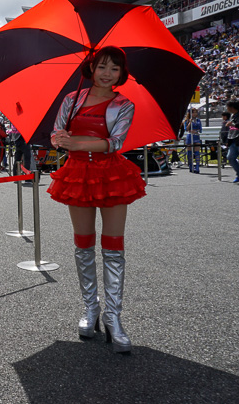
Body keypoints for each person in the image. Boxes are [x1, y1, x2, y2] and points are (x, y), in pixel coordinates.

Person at [48, 46, 146, 354]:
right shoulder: (70, 100)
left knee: (114, 245)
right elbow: (56, 133)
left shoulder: (124, 103)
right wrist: (60, 139)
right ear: (91, 68)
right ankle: (91, 309)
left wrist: (76, 140)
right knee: (83, 244)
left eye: (114, 69)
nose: (107, 73)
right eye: (102, 66)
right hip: (77, 172)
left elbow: (116, 142)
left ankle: (113, 317)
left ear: (121, 74)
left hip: (112, 173)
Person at [184, 107, 202, 173]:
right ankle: (191, 165)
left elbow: (200, 129)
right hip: (189, 136)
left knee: (197, 152)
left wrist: (197, 131)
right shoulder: (187, 120)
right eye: (193, 112)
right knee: (190, 152)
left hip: (196, 136)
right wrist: (189, 122)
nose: (195, 114)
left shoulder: (198, 120)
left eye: (196, 112)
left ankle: (197, 166)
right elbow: (186, 129)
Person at [225, 99, 239, 183]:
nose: (227, 108)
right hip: (233, 140)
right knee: (230, 157)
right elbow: (231, 130)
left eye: (228, 107)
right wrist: (228, 141)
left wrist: (232, 124)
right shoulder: (232, 116)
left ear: (232, 107)